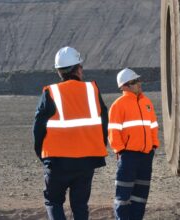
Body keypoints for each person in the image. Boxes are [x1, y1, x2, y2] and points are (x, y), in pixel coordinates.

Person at [33, 46, 108, 220]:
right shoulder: (92, 90)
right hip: (86, 161)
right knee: (80, 206)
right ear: (78, 69)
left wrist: (42, 154)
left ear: (60, 72)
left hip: (57, 162)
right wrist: (97, 147)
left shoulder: (50, 92)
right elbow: (104, 121)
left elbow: (38, 127)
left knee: (54, 202)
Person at [108, 68, 160, 220]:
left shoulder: (147, 102)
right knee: (123, 196)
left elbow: (153, 126)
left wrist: (153, 146)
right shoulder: (118, 105)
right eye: (135, 81)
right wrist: (121, 151)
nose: (139, 83)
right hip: (128, 157)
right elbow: (113, 132)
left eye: (138, 81)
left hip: (146, 156)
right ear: (125, 86)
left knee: (140, 196)